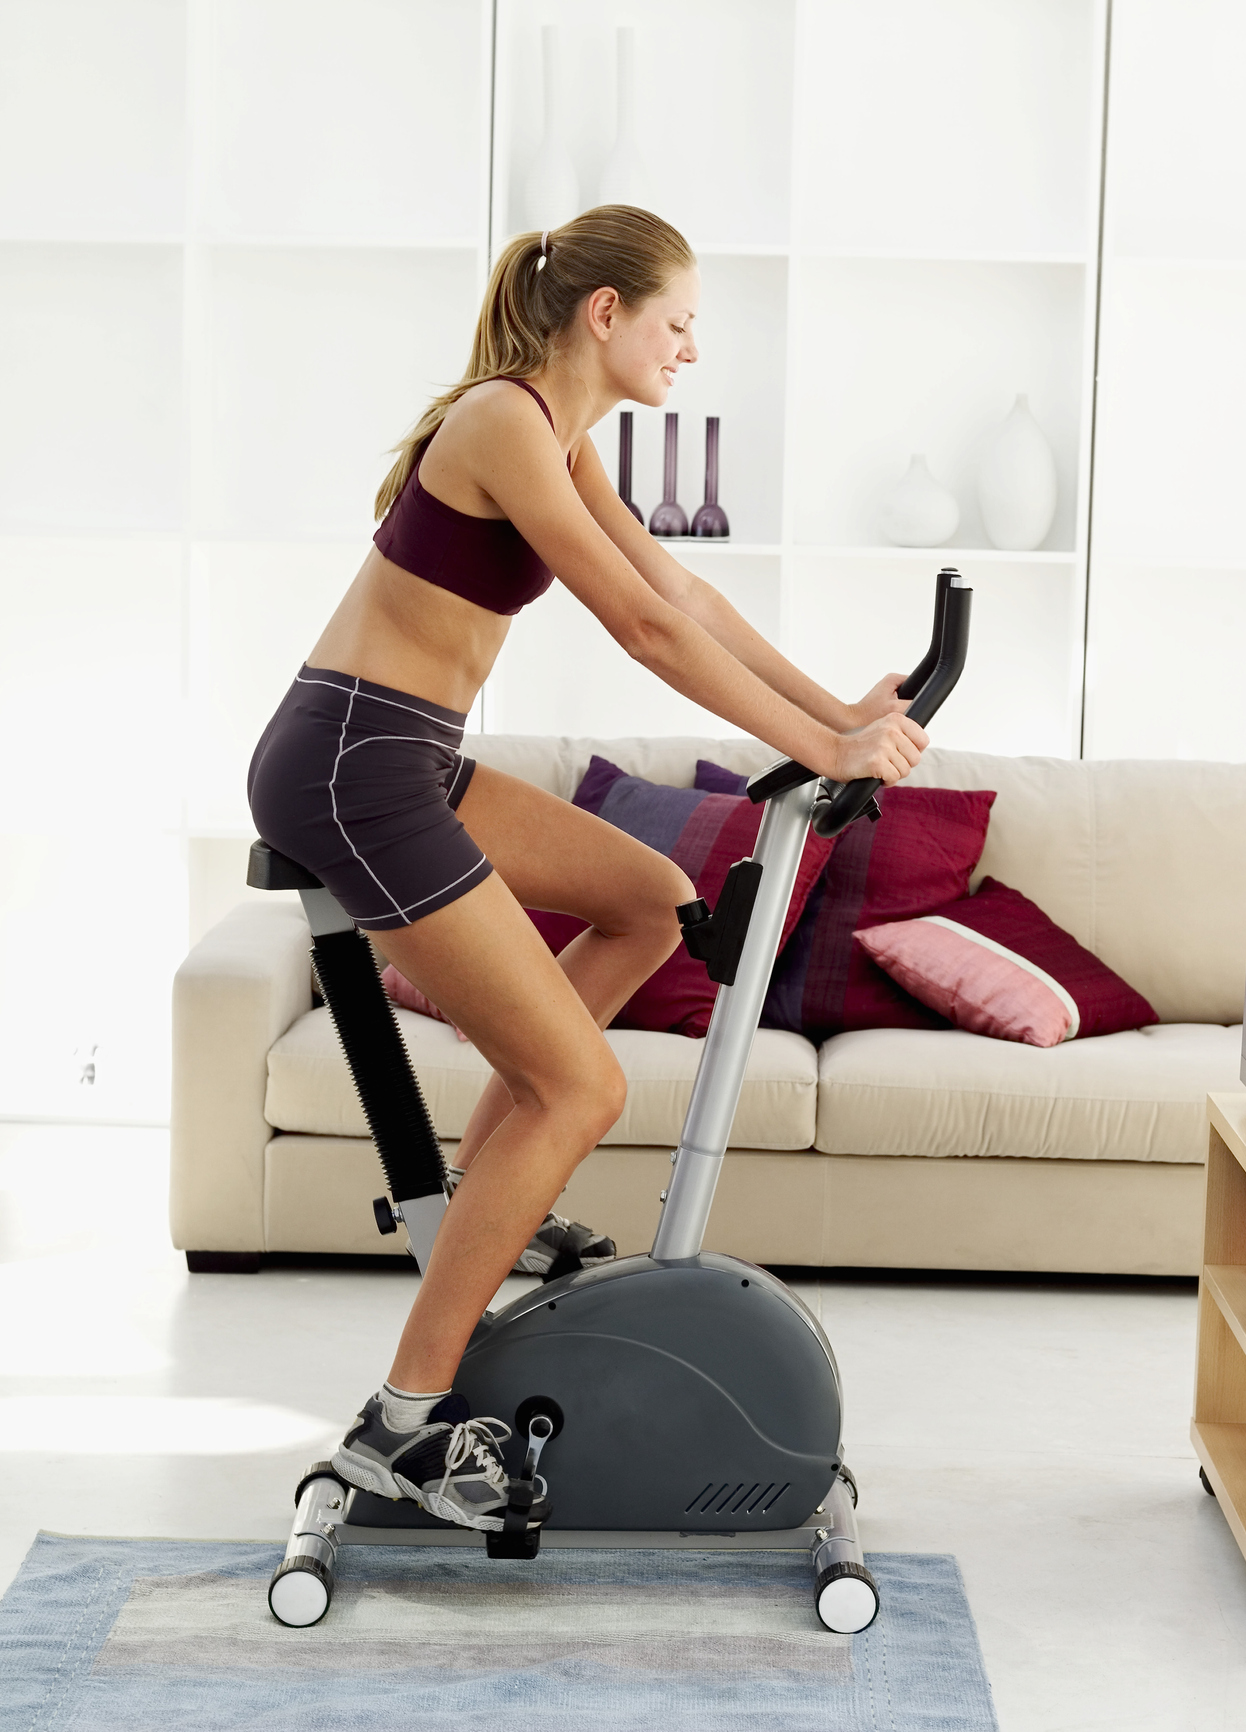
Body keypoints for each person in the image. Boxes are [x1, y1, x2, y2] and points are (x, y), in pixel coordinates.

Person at [246, 205, 926, 1530]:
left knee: (648, 904)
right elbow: (639, 636)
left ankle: (483, 1211)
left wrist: (839, 714)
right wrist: (818, 744)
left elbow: (685, 600)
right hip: (350, 756)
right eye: (677, 324)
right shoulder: (501, 422)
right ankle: (404, 1428)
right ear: (603, 315)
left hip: (409, 749)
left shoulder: (559, 436)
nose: (689, 351)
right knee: (585, 1087)